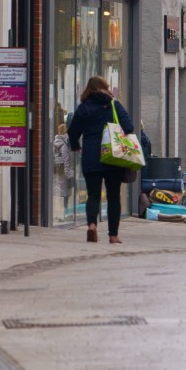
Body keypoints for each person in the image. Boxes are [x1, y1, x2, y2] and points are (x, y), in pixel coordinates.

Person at [67, 76, 134, 244]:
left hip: (91, 155)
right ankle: (113, 235)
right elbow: (129, 127)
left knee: (93, 195)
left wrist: (75, 145)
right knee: (113, 196)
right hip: (113, 156)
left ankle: (91, 225)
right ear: (105, 87)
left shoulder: (84, 107)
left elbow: (73, 131)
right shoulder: (114, 105)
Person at [52, 123, 74, 218]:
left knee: (58, 191)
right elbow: (66, 160)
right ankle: (64, 213)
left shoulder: (55, 141)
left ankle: (57, 214)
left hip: (57, 171)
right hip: (64, 172)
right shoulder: (64, 144)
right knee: (65, 193)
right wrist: (69, 174)